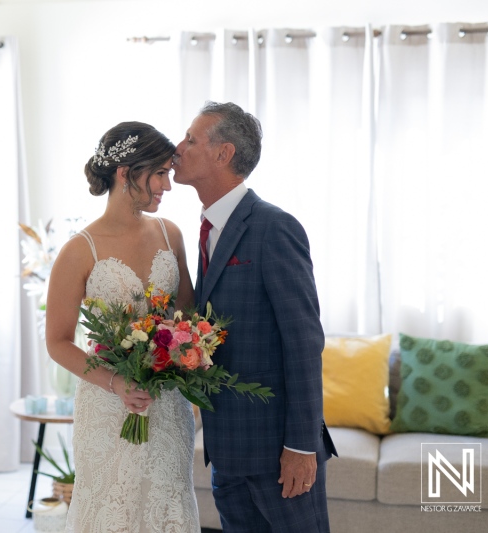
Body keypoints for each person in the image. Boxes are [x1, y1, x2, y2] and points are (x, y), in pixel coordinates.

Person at [172, 101, 337, 532]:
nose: (178, 148)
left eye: (190, 139)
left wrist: (301, 446)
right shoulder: (206, 229)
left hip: (278, 457)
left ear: (223, 154)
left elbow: (304, 343)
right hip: (227, 453)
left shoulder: (274, 227)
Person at [46, 121, 199, 532]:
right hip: (106, 407)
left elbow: (188, 318)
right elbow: (58, 342)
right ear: (124, 172)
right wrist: (117, 383)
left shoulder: (172, 235)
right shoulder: (79, 250)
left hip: (167, 405)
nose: (168, 185)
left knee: (168, 507)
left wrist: (181, 349)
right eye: (160, 173)